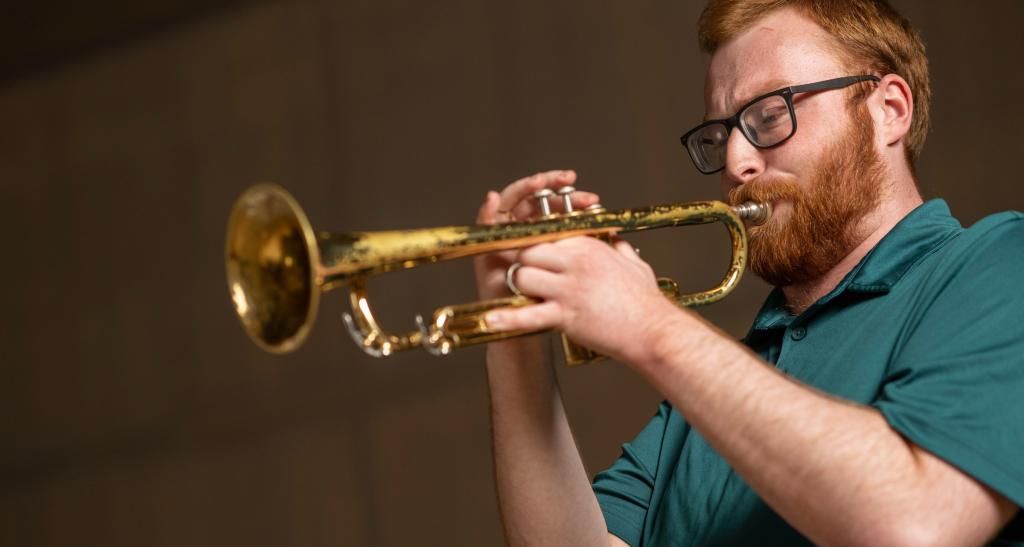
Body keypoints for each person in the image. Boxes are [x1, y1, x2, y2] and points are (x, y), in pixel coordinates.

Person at [473, 1, 1024, 545]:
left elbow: (917, 525)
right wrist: (514, 333)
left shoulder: (998, 262)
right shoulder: (716, 389)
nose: (737, 163)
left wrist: (650, 325)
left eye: (771, 115)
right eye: (720, 136)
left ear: (889, 109)